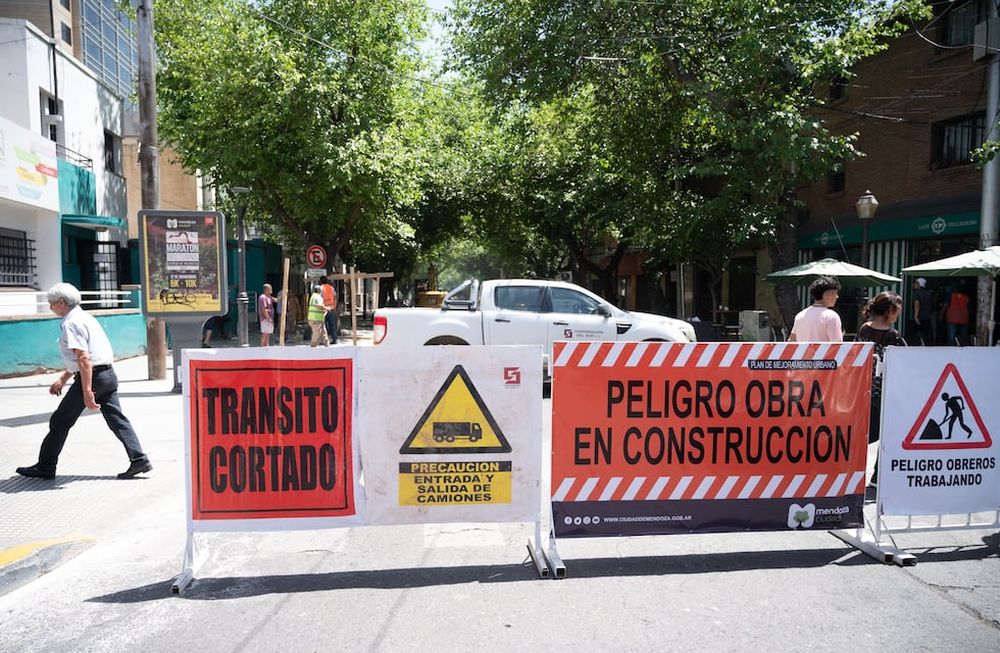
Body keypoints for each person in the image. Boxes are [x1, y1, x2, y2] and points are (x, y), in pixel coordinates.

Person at [16, 283, 152, 480]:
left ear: (61, 303)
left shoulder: (71, 323)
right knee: (117, 419)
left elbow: (85, 359)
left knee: (60, 421)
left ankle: (45, 466)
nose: (50, 307)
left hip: (93, 378)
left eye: (51, 303)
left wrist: (87, 391)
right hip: (107, 375)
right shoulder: (85, 317)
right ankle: (139, 458)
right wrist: (63, 379)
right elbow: (83, 358)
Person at [857, 291, 905, 488]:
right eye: (897, 312)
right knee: (885, 434)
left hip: (864, 390)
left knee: (864, 433)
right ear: (889, 312)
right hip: (885, 391)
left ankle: (853, 471)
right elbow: (904, 358)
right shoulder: (892, 335)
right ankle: (877, 477)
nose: (898, 316)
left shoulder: (863, 329)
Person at [788, 276, 843, 342]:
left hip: (802, 352)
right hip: (824, 352)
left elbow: (791, 340)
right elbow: (837, 344)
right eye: (834, 293)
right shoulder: (831, 316)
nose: (837, 297)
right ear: (827, 295)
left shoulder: (800, 315)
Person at [910, 277, 933, 345]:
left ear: (919, 284)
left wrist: (916, 316)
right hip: (927, 317)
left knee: (912, 335)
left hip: (919, 317)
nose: (914, 285)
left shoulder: (917, 293)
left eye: (915, 283)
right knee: (927, 336)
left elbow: (917, 304)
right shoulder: (929, 293)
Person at [320, 276, 338, 345]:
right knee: (332, 324)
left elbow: (319, 298)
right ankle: (334, 338)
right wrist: (334, 306)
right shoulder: (331, 288)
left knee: (323, 325)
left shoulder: (321, 288)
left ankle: (324, 340)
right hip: (331, 308)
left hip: (323, 309)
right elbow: (335, 297)